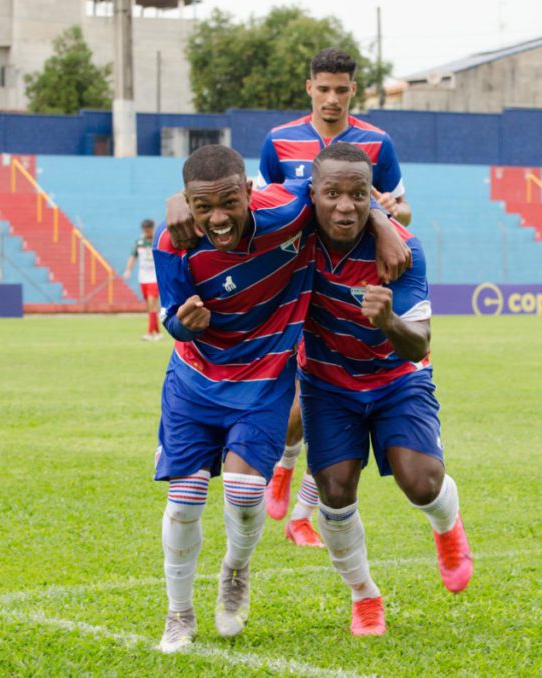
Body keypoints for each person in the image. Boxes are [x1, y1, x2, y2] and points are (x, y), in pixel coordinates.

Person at [152, 144, 409, 653]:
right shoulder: (174, 239)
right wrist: (185, 321)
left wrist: (381, 223)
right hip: (194, 381)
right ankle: (178, 614)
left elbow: (339, 193)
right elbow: (171, 316)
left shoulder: (287, 209)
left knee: (245, 498)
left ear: (249, 190)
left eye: (230, 202)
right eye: (203, 207)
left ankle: (235, 570)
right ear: (187, 203)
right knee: (184, 503)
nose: (218, 219)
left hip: (264, 379)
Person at [300, 143, 472, 636]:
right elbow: (240, 207)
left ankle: (447, 528)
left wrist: (387, 318)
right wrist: (177, 203)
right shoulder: (293, 235)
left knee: (422, 482)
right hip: (327, 384)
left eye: (358, 195)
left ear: (370, 196)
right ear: (313, 194)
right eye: (332, 193)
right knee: (334, 491)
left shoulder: (404, 248)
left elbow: (418, 345)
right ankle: (364, 595)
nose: (345, 206)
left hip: (396, 379)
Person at [259, 47, 414, 547]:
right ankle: (285, 467)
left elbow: (402, 208)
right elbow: (265, 208)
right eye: (323, 89)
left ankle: (299, 505)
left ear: (353, 90)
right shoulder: (279, 141)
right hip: (298, 277)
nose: (332, 99)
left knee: (336, 395)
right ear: (309, 88)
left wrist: (386, 218)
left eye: (341, 90)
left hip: (353, 277)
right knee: (302, 404)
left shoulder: (377, 142)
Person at [123, 219, 162, 341]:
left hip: (154, 277)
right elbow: (133, 256)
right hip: (143, 278)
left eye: (148, 230)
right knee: (150, 307)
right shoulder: (139, 242)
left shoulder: (158, 241)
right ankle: (157, 332)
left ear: (152, 228)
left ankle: (150, 333)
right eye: (144, 230)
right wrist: (128, 270)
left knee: (152, 304)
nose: (146, 232)